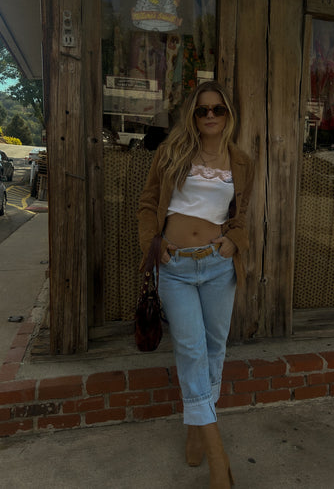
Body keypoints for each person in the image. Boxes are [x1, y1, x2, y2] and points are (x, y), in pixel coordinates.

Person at [137, 80, 254, 488]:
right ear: (192, 114)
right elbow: (149, 202)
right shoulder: (173, 152)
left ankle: (194, 426)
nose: (209, 116)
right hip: (174, 267)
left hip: (217, 266)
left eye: (216, 110)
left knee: (214, 349)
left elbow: (241, 217)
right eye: (202, 109)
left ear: (227, 115)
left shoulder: (240, 160)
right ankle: (217, 455)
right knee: (190, 349)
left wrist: (232, 244)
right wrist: (154, 245)